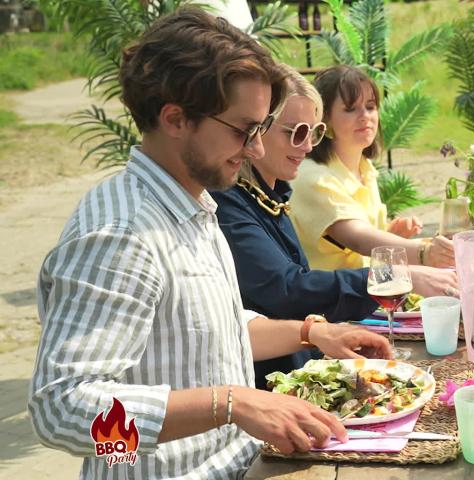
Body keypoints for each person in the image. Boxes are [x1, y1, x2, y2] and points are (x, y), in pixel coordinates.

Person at [28, 8, 391, 479]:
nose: (257, 150)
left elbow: (199, 333)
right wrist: (231, 403)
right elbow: (60, 412)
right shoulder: (120, 236)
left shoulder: (191, 204)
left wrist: (311, 332)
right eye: (244, 130)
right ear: (175, 118)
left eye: (261, 129)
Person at [211, 67, 454, 389]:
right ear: (256, 129)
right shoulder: (230, 203)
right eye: (296, 132)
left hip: (308, 362)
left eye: (314, 131)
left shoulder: (271, 193)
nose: (309, 145)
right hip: (268, 387)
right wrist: (404, 273)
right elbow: (287, 289)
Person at [289, 65, 457, 281]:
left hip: (369, 293)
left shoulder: (365, 167)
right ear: (325, 118)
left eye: (370, 107)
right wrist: (425, 254)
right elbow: (357, 238)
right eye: (351, 109)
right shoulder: (313, 177)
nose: (365, 116)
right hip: (330, 307)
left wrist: (389, 235)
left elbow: (359, 250)